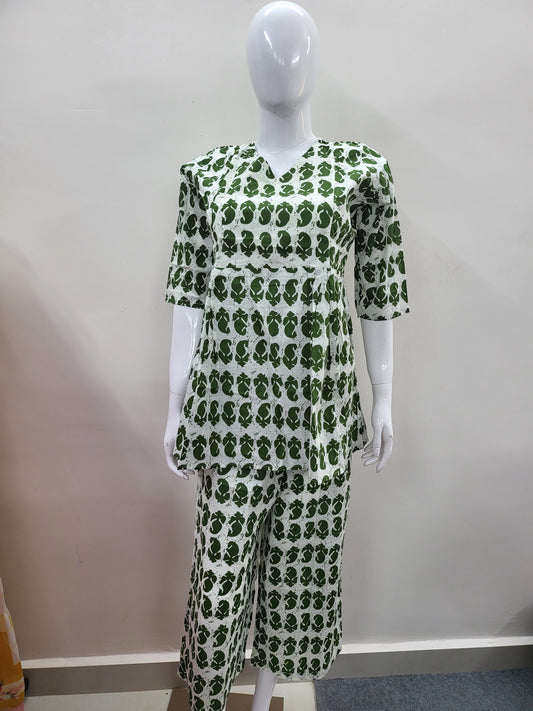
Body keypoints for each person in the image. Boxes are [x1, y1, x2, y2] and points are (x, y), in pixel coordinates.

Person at [163, 3, 410, 709]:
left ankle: (270, 689)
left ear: (317, 61)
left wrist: (383, 395)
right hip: (229, 414)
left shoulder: (358, 172)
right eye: (267, 50)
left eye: (297, 48)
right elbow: (188, 297)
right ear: (247, 65)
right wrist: (175, 404)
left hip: (319, 416)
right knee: (220, 573)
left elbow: (377, 290)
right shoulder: (208, 176)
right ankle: (210, 694)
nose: (281, 63)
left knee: (300, 569)